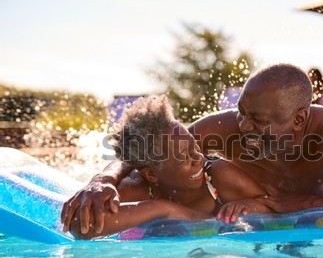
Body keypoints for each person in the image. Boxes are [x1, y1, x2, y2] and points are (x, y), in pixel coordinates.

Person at [62, 63, 323, 234]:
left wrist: (311, 204)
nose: (244, 126)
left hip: (313, 223)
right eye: (242, 113)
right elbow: (152, 149)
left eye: (258, 120)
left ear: (298, 120)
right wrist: (102, 179)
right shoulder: (229, 128)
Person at [64, 95, 272, 239]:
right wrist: (163, 209)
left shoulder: (218, 178)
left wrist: (253, 206)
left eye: (195, 147)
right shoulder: (137, 190)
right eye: (184, 158)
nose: (198, 159)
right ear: (152, 174)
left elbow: (273, 206)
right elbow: (82, 227)